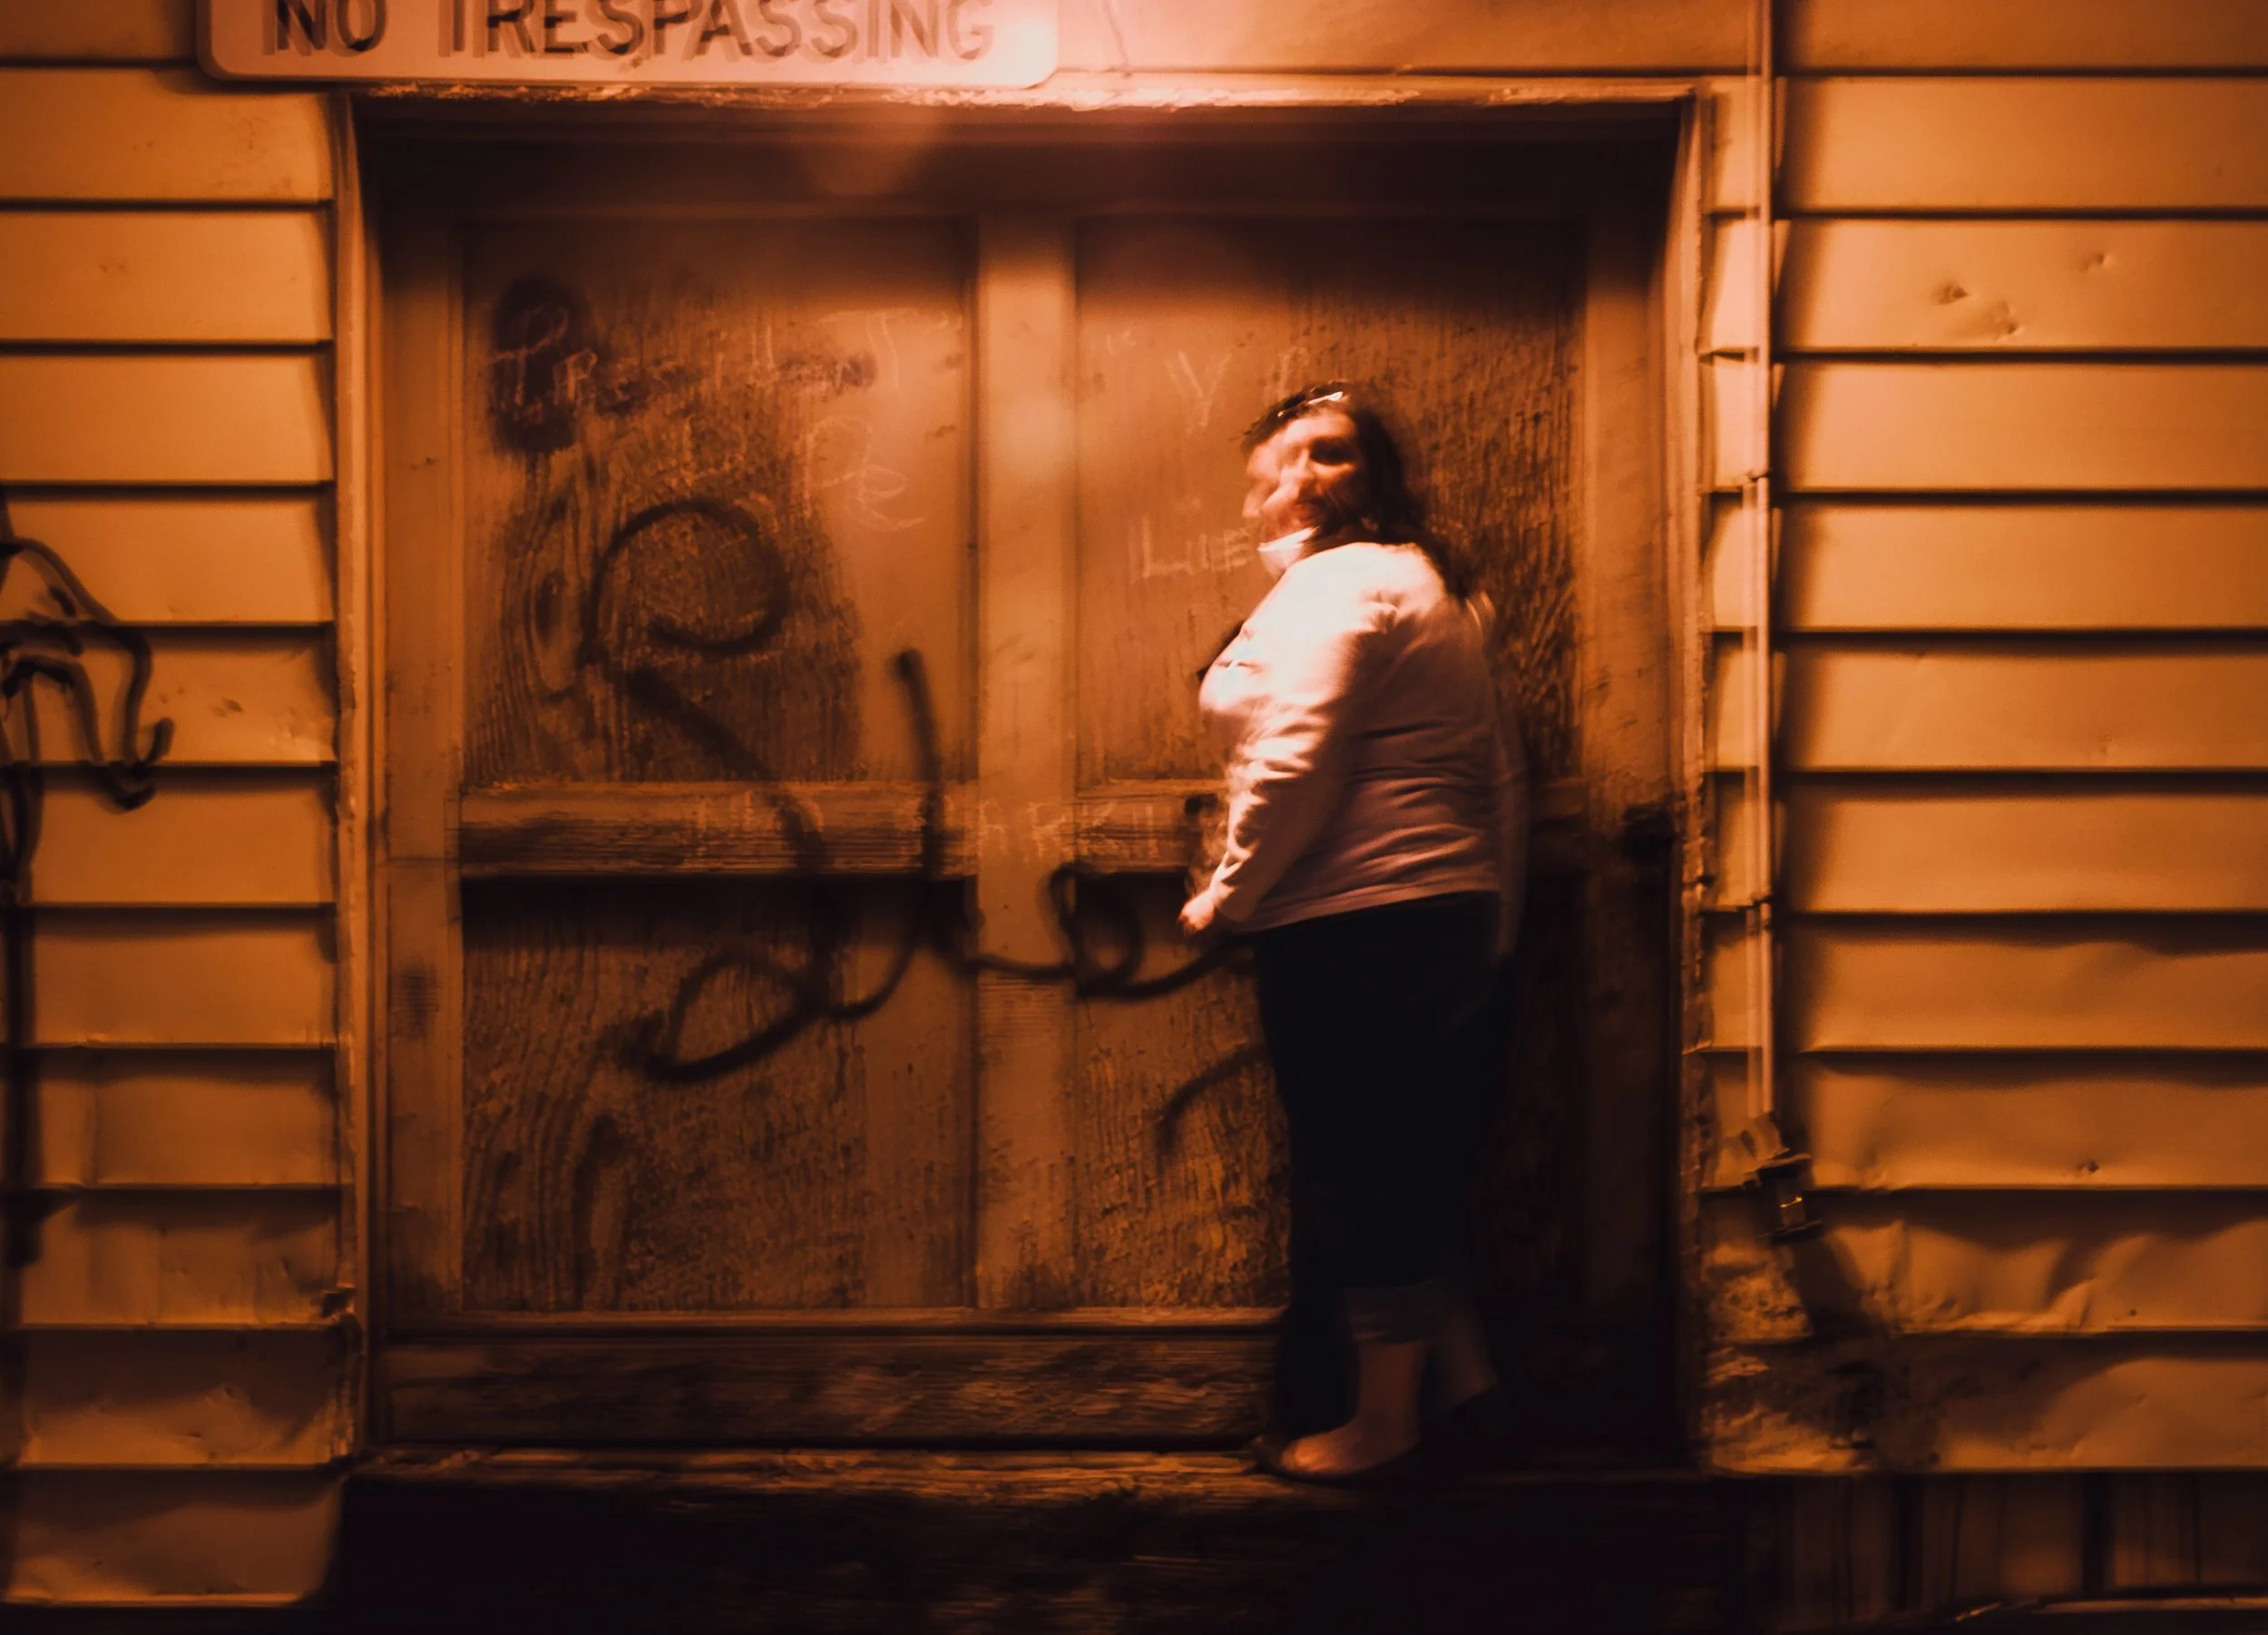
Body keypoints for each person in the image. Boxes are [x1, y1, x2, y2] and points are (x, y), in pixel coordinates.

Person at [1179, 383, 1528, 1483]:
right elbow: (1496, 772)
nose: (1302, 475)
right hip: (1427, 915)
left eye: (1331, 451)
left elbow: (1298, 757)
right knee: (1411, 1161)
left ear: (1377, 474)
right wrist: (1496, 917)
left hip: (1360, 916)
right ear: (1256, 495)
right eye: (1281, 460)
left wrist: (1225, 897)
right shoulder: (1425, 583)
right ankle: (1467, 1392)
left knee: (1361, 1165)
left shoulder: (1346, 581)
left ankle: (1383, 1423)